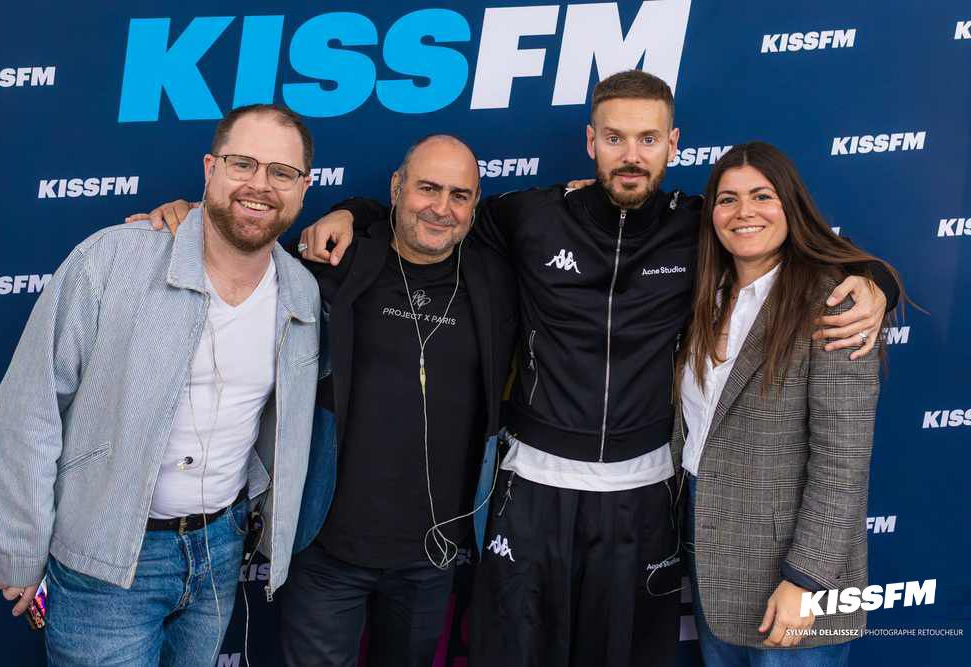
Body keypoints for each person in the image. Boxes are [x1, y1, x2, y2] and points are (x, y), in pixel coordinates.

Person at [299, 70, 898, 666]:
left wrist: (878, 285)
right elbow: (430, 220)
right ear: (591, 141)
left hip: (643, 493)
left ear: (673, 144)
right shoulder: (529, 214)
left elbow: (797, 248)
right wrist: (353, 211)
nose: (631, 155)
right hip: (531, 486)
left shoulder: (702, 226)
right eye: (615, 138)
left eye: (648, 139)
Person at [128, 135, 519, 666]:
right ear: (396, 188)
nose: (441, 208)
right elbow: (240, 249)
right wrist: (186, 221)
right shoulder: (333, 260)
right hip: (327, 549)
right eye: (427, 189)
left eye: (459, 195)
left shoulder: (495, 279)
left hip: (433, 555)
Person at [0, 103, 325, 667]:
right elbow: (30, 409)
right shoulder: (112, 260)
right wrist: (20, 551)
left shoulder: (303, 292)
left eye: (281, 172)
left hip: (219, 552)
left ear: (304, 187)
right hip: (105, 561)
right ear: (211, 169)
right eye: (243, 164)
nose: (260, 185)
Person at [674, 141, 901, 665]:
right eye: (728, 199)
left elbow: (843, 462)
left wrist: (807, 580)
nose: (744, 212)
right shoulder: (706, 297)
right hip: (712, 561)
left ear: (791, 206)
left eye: (762, 196)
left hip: (794, 577)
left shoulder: (835, 302)